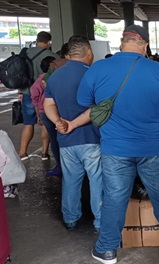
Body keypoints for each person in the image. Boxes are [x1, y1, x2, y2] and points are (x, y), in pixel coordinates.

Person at [77, 25, 159, 264]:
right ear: (144, 45)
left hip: (115, 149)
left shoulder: (98, 68)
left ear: (122, 42)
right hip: (154, 147)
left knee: (114, 197)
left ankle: (107, 249)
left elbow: (85, 102)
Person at [43, 36, 102, 233]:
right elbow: (98, 108)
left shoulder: (55, 76)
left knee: (70, 180)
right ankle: (100, 221)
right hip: (92, 138)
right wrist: (74, 124)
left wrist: (58, 122)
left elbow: (48, 104)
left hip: (66, 140)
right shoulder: (93, 74)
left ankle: (70, 218)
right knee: (97, 180)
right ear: (89, 53)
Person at [17, 31, 59, 161]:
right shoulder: (52, 56)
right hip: (44, 95)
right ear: (48, 42)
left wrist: (20, 91)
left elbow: (20, 72)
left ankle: (22, 152)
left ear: (37, 40)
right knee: (45, 123)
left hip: (27, 92)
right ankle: (44, 152)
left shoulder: (25, 54)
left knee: (28, 124)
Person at [30, 56, 61, 177]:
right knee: (61, 137)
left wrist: (38, 115)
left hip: (44, 112)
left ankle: (59, 164)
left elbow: (35, 99)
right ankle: (63, 164)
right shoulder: (55, 78)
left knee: (53, 138)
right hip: (56, 110)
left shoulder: (38, 81)